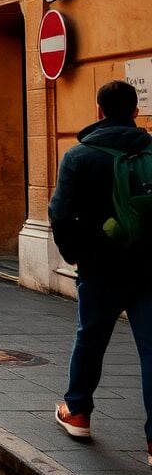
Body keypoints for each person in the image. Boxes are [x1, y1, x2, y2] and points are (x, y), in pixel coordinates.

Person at [50, 80, 152, 454]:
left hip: (99, 266)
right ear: (135, 111)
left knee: (90, 340)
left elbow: (59, 214)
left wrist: (74, 253)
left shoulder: (79, 156)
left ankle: (77, 412)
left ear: (99, 111)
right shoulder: (151, 151)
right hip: (148, 267)